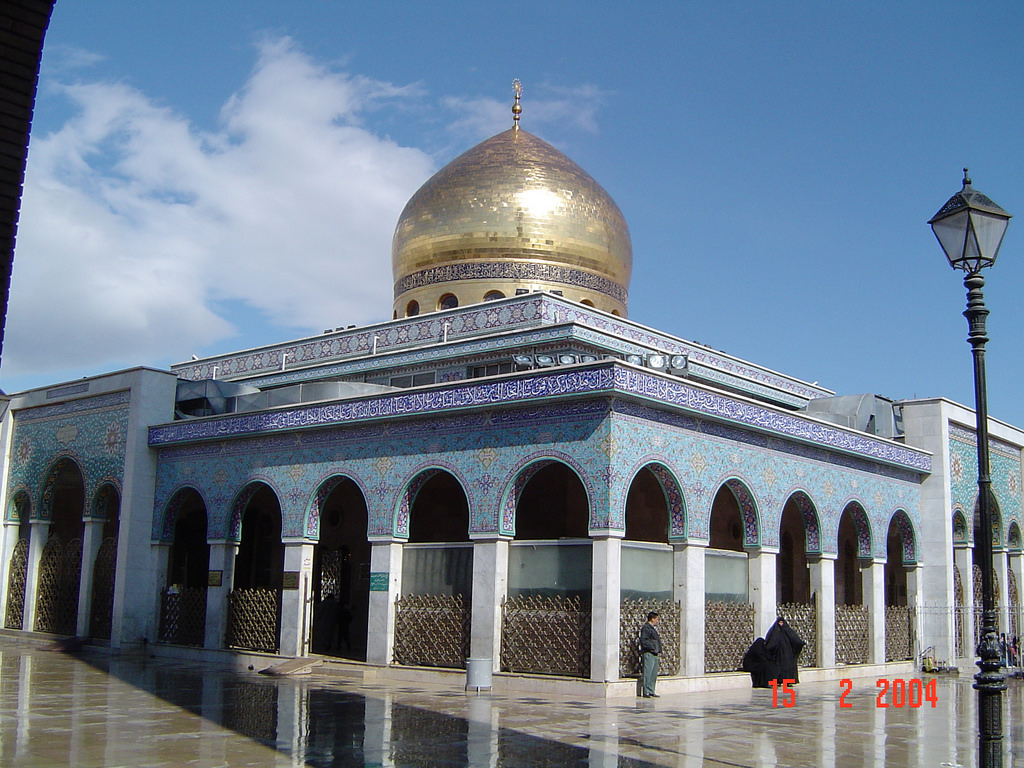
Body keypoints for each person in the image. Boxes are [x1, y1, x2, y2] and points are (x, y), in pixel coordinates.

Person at [765, 615, 805, 684]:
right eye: (779, 623)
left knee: (787, 668)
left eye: (782, 622)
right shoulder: (774, 631)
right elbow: (770, 641)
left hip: (787, 654)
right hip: (777, 654)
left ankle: (788, 682)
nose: (781, 624)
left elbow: (794, 639)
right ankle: (778, 681)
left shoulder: (787, 631)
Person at [639, 611, 662, 698]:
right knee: (648, 673)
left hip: (654, 653)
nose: (657, 621)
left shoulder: (652, 628)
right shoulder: (646, 628)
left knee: (653, 673)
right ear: (652, 619)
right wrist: (652, 647)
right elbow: (644, 641)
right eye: (656, 619)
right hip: (649, 653)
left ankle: (651, 690)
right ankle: (646, 691)